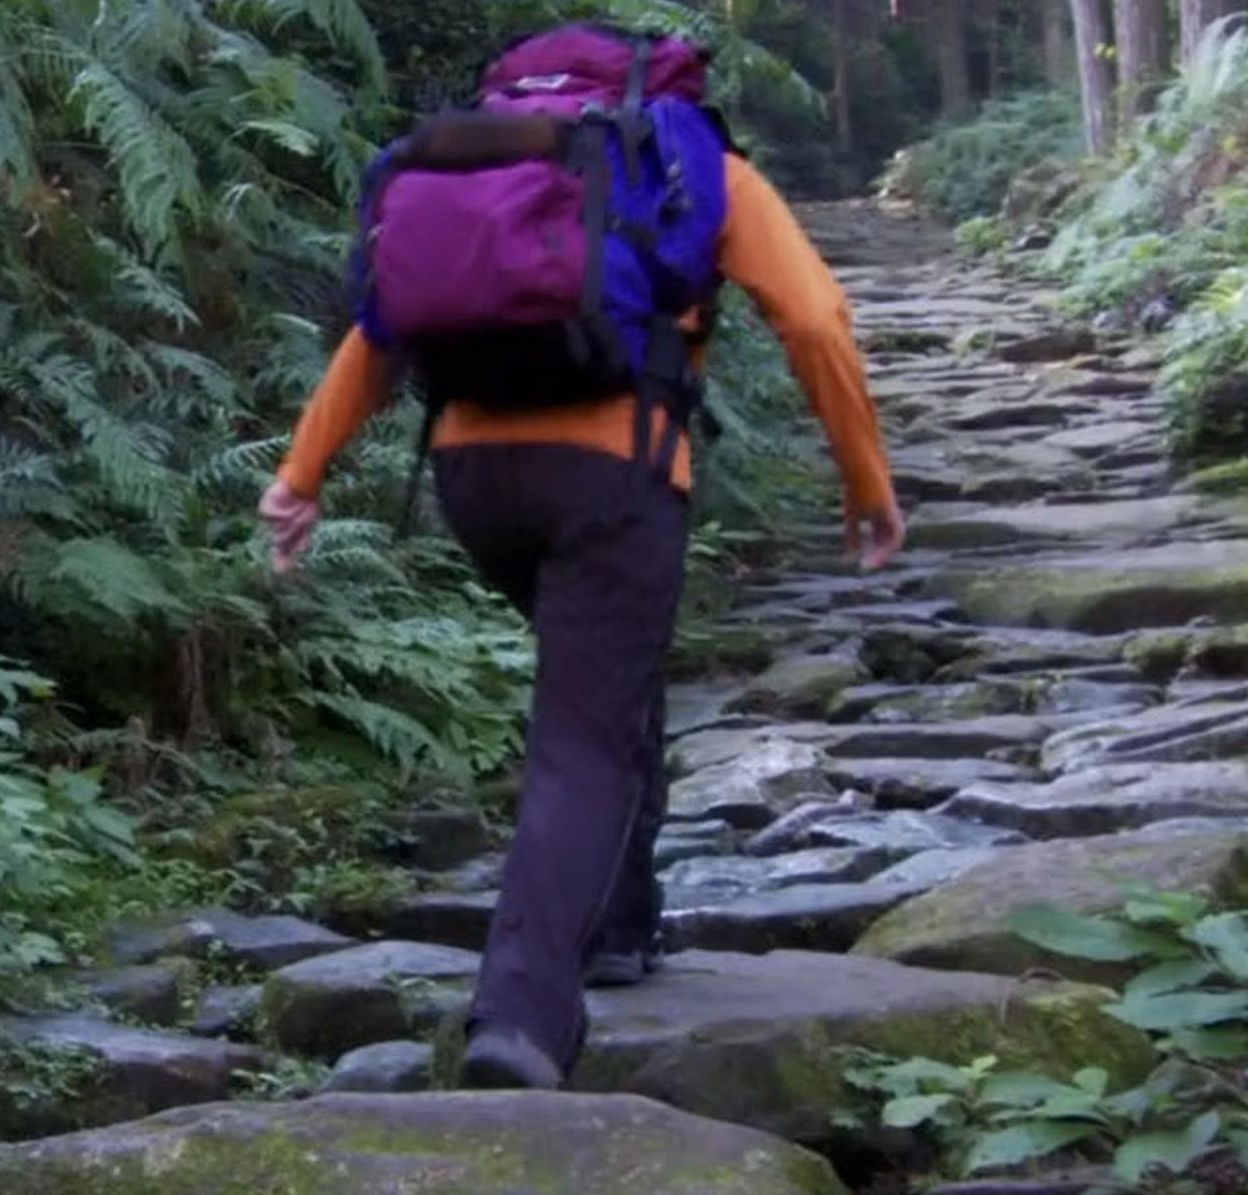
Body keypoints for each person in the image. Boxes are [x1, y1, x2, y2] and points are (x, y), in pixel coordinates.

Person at [256, 78, 903, 1093]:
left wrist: (302, 476)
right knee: (584, 737)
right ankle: (520, 1011)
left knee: (606, 684)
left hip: (473, 481)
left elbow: (379, 332)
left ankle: (618, 922)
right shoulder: (693, 165)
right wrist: (866, 482)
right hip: (615, 474)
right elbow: (815, 317)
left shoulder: (487, 174)